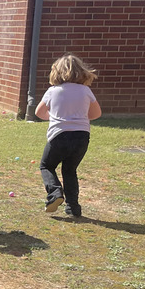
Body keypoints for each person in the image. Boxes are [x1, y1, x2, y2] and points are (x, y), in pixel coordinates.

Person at [35, 54, 101, 217]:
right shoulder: (86, 91)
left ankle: (55, 194)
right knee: (70, 170)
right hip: (82, 137)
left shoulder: (53, 91)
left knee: (47, 166)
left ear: (56, 72)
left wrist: (55, 116)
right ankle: (73, 208)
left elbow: (39, 112)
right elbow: (96, 113)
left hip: (59, 135)